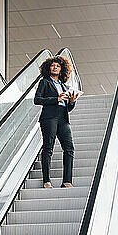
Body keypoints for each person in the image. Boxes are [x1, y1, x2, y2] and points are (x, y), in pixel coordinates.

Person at [33, 56, 77, 189]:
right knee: (48, 148)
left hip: (63, 118)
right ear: (48, 68)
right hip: (49, 118)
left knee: (69, 149)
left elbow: (68, 108)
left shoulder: (64, 86)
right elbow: (37, 100)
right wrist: (56, 99)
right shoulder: (44, 82)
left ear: (62, 69)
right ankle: (46, 181)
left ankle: (67, 181)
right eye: (53, 66)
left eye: (58, 66)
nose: (55, 68)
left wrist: (72, 101)